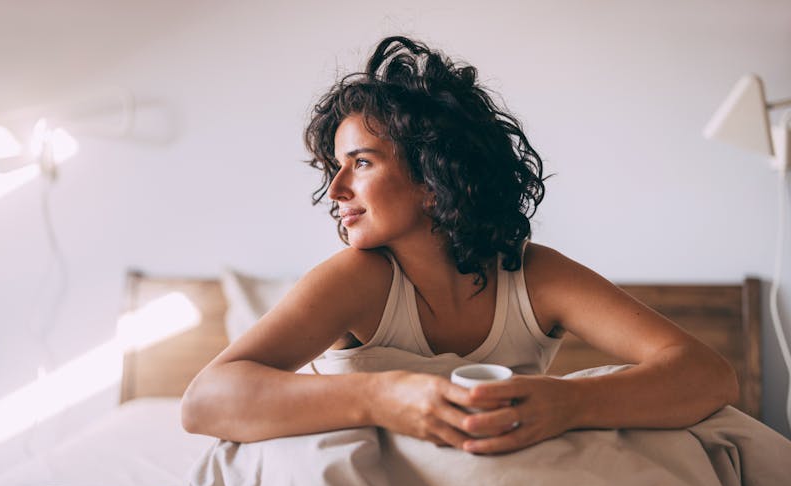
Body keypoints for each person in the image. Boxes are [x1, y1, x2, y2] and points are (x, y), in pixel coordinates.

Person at [181, 36, 739, 455]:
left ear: (433, 176)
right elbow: (204, 401)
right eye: (335, 166)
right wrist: (381, 398)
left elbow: (709, 375)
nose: (335, 190)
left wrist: (570, 403)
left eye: (362, 163)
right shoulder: (357, 279)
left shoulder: (534, 276)